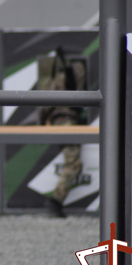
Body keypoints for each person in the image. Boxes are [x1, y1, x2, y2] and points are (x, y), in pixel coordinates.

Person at [39, 48, 87, 218]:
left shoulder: (57, 79)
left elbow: (45, 105)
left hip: (60, 122)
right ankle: (55, 201)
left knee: (72, 163)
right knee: (73, 164)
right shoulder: (77, 73)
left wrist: (42, 122)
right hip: (68, 122)